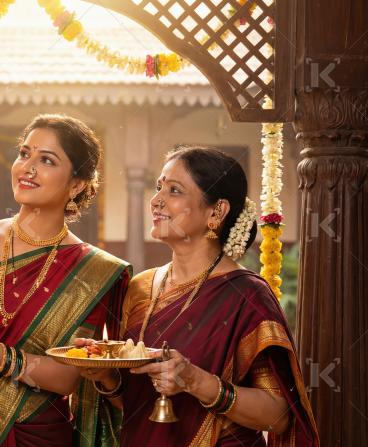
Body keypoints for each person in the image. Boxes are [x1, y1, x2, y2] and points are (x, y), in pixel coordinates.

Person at [77, 146, 319, 446]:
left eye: (174, 190)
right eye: (158, 187)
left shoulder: (247, 296)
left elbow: (278, 416)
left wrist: (194, 380)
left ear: (216, 211)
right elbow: (137, 407)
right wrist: (104, 377)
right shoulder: (140, 288)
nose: (156, 201)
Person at [0, 114, 130, 446]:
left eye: (47, 160)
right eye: (24, 153)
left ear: (77, 184)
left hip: (36, 433)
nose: (27, 168)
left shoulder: (92, 270)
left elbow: (65, 378)